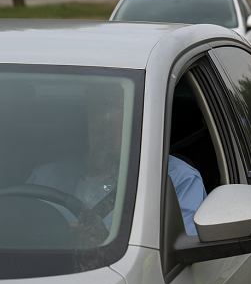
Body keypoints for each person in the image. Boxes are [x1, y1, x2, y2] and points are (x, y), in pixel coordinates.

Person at [26, 84, 207, 236]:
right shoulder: (44, 178)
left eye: (113, 106)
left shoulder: (177, 181)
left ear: (141, 113)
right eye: (95, 108)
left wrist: (106, 247)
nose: (103, 119)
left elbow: (184, 262)